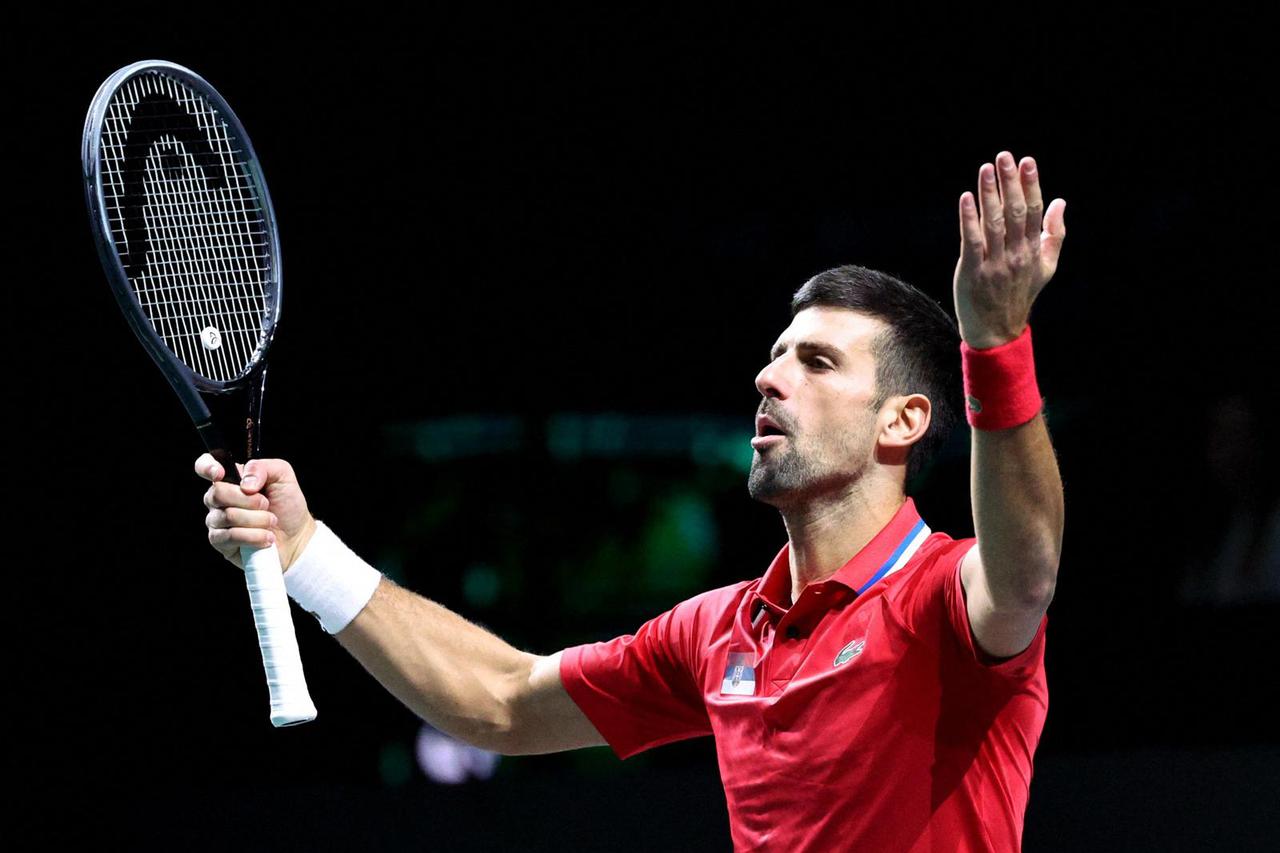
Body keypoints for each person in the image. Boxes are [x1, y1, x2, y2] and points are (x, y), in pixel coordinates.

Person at [198, 150, 1066, 851]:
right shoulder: (718, 634)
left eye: (817, 361)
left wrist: (995, 345)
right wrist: (307, 550)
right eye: (776, 354)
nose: (768, 377)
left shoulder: (945, 598)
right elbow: (501, 700)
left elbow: (1026, 570)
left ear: (904, 420)